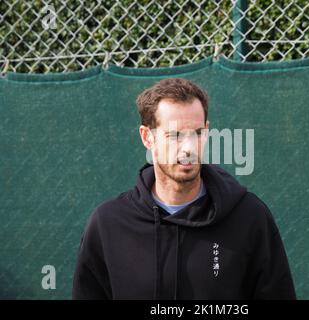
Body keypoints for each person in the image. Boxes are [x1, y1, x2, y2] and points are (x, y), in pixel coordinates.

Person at [72, 78, 296, 300]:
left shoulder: (250, 217)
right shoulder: (108, 224)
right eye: (175, 135)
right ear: (147, 137)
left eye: (197, 133)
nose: (188, 148)